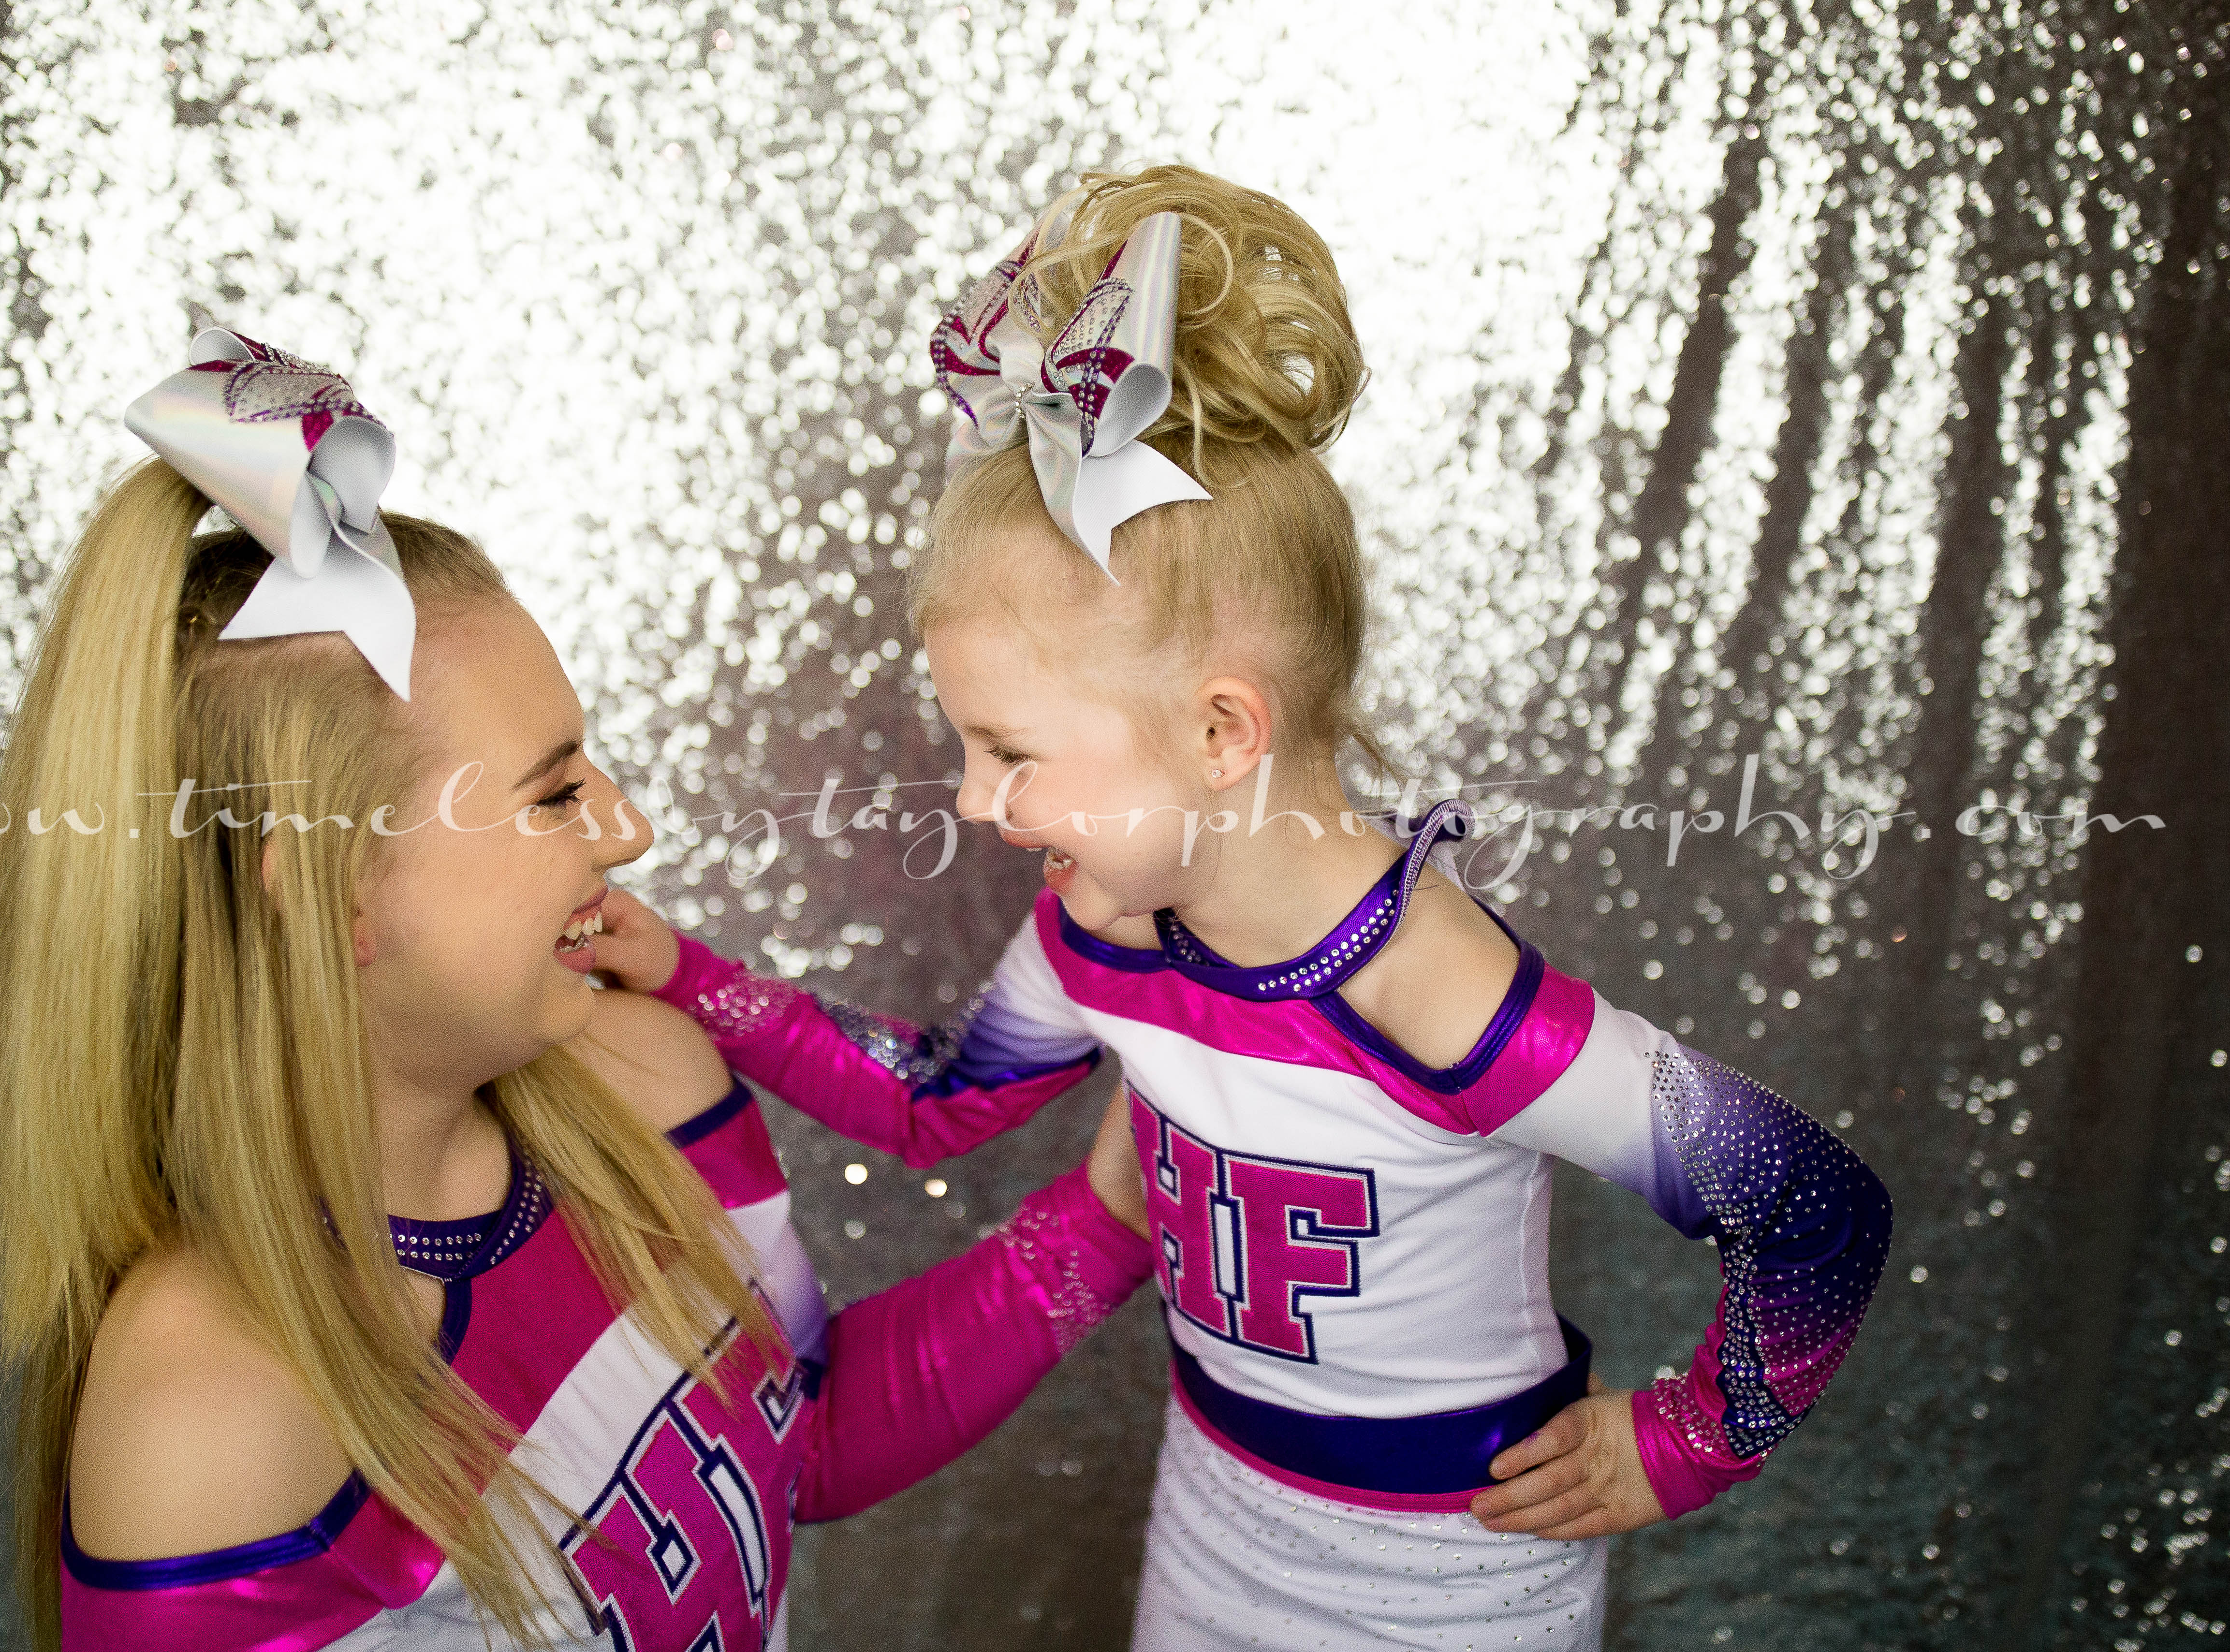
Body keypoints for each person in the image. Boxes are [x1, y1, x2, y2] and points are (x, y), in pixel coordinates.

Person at [588, 166, 1895, 1650]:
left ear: (1221, 732)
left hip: (1459, 1575)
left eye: (1011, 752)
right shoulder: (1102, 927)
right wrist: (686, 971)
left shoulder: (1437, 991)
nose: (974, 799)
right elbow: (934, 1100)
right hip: (1215, 1516)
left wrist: (1688, 1440)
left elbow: (1811, 1206)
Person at [0, 330, 1153, 1652]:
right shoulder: (209, 1412)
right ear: (337, 888)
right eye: (553, 791)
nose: (627, 828)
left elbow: (798, 1437)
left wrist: (1111, 1214)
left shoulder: (647, 1084)